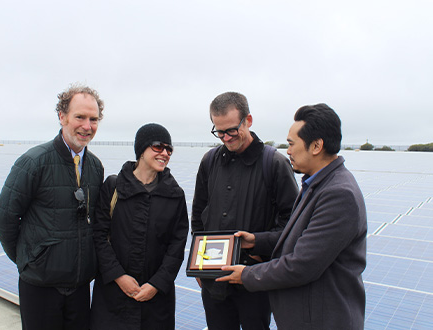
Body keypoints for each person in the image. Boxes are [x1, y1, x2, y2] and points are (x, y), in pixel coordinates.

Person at [217, 103, 367, 329]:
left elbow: (302, 265)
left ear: (316, 146)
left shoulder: (338, 194)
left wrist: (247, 275)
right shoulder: (317, 184)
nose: (287, 151)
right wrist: (257, 241)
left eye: (291, 144)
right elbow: (301, 239)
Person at [0, 84, 105, 330]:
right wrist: (31, 260)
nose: (87, 126)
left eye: (93, 119)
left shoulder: (95, 167)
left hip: (79, 286)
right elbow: (4, 219)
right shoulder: (33, 162)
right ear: (62, 116)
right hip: (41, 286)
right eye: (80, 117)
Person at [191, 92, 299, 330]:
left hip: (255, 283)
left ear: (248, 120)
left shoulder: (275, 164)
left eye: (231, 130)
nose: (226, 138)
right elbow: (199, 215)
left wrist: (259, 245)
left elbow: (293, 226)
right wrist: (197, 263)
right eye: (219, 132)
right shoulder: (209, 161)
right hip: (214, 282)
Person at [90, 123, 189, 330]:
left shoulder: (175, 194)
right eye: (158, 147)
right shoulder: (113, 187)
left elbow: (177, 245)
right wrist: (118, 276)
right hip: (113, 296)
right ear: (141, 150)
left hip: (156, 301)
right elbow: (99, 235)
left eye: (169, 149)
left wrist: (157, 284)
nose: (165, 153)